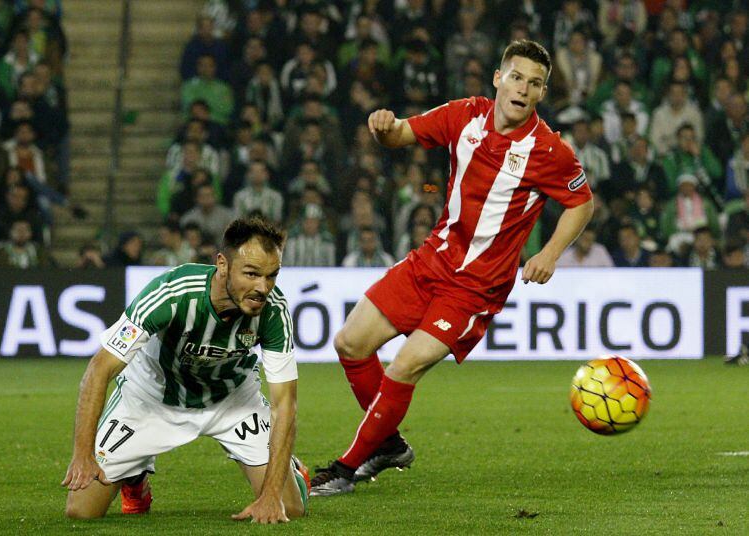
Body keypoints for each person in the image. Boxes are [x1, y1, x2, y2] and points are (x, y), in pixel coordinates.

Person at [309, 40, 593, 496]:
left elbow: (581, 202)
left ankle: (345, 470)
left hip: (476, 288)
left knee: (404, 366)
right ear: (498, 78)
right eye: (517, 77)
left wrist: (550, 253)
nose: (523, 88)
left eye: (535, 83)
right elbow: (401, 133)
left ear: (542, 93)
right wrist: (382, 128)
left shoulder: (549, 150)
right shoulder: (465, 115)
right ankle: (388, 444)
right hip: (432, 259)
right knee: (350, 342)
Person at [61, 218, 309, 524]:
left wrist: (271, 496)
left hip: (232, 402)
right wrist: (83, 454)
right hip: (152, 399)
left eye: (272, 276)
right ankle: (135, 479)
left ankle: (289, 468)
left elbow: (285, 404)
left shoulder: (274, 310)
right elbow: (98, 371)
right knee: (81, 511)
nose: (263, 287)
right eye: (251, 274)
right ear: (222, 264)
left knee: (289, 508)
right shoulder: (172, 293)